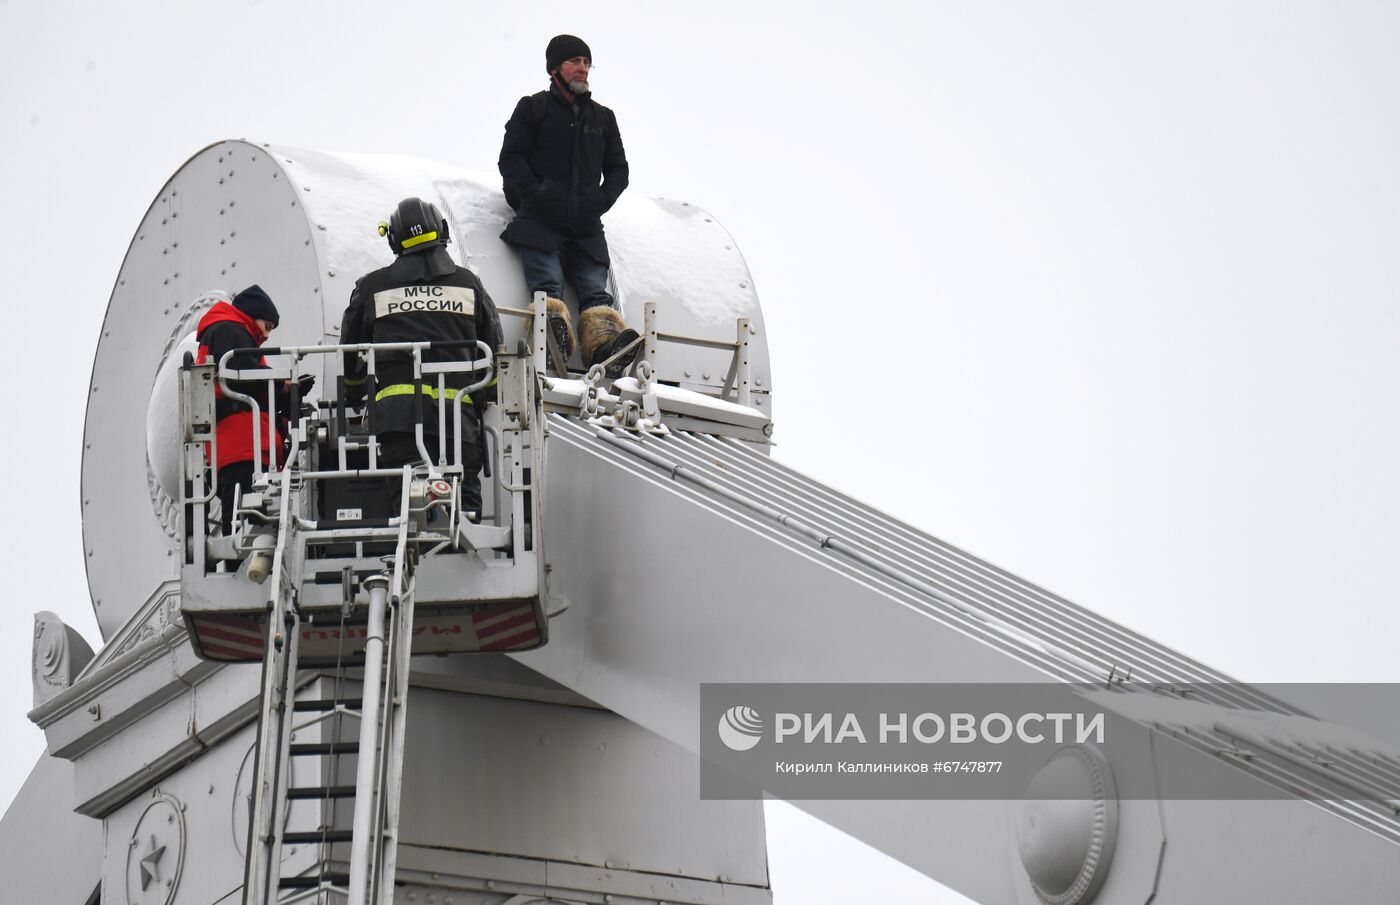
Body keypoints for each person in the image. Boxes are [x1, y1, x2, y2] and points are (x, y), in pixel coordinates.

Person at [340, 197, 502, 514]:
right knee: (463, 509)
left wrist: (355, 391)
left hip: (398, 422)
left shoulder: (371, 286)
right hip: (457, 421)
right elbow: (493, 348)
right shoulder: (469, 284)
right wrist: (488, 393)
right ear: (442, 231)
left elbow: (351, 349)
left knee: (407, 510)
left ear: (394, 239)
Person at [498, 33, 640, 377]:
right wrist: (534, 194)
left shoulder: (603, 118)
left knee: (595, 293)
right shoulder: (533, 108)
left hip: (586, 228)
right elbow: (511, 159)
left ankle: (605, 348)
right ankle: (551, 342)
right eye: (574, 61)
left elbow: (619, 170)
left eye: (586, 63)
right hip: (541, 224)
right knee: (547, 287)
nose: (582, 69)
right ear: (554, 69)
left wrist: (600, 201)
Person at [195, 285, 293, 534]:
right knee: (244, 527)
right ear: (252, 314)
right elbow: (242, 374)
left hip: (241, 445)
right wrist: (280, 383)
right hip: (242, 446)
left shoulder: (231, 331)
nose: (267, 335)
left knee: (246, 524)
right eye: (267, 326)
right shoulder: (230, 329)